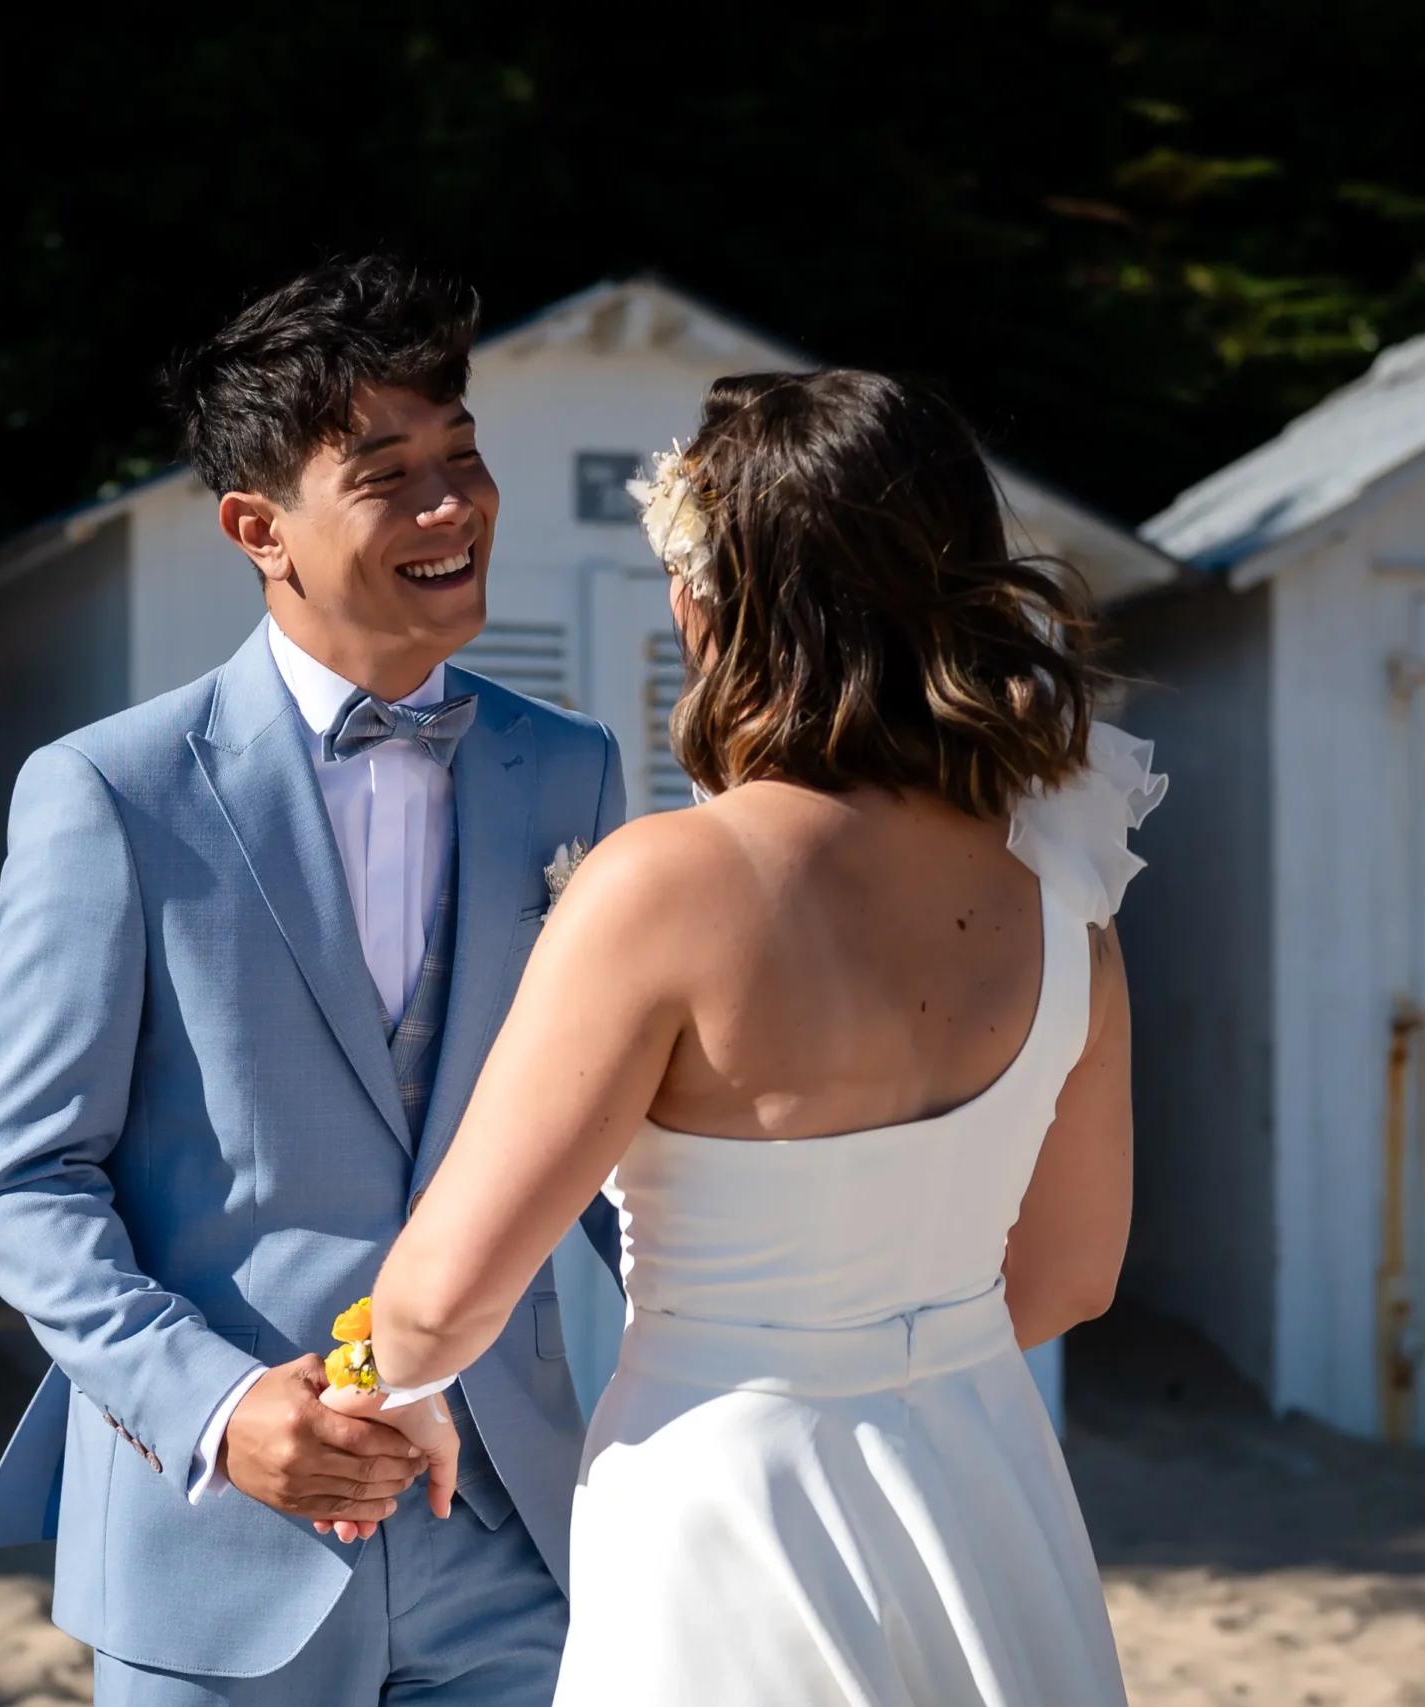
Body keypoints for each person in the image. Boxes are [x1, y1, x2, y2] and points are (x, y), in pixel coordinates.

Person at [329, 369, 1162, 1705]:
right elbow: (1070, 1277)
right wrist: (896, 1366)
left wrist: (391, 1372)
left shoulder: (667, 886)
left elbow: (443, 1291)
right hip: (982, 1487)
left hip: (728, 1503)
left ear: (716, 596)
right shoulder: (1067, 900)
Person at [0, 255, 625, 1705]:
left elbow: (620, 1143)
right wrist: (218, 1406)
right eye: (392, 475)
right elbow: (18, 1177)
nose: (455, 504)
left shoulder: (572, 772)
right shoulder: (110, 793)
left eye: (464, 456)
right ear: (260, 528)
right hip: (220, 1536)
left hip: (516, 1534)